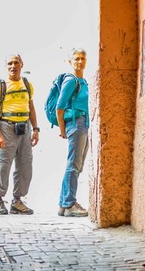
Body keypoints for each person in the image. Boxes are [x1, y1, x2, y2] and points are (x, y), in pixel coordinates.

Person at [0, 53, 40, 215]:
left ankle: (17, 201)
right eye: (10, 63)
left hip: (24, 128)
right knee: (2, 165)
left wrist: (36, 129)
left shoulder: (27, 84)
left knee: (25, 165)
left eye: (16, 62)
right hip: (6, 126)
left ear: (21, 64)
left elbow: (30, 107)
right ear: (6, 66)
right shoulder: (0, 85)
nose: (13, 66)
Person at [55, 48, 91, 217]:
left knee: (75, 165)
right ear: (70, 62)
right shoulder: (71, 81)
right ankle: (69, 204)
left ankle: (63, 204)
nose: (80, 61)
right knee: (74, 165)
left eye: (82, 58)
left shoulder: (83, 82)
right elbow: (59, 107)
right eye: (76, 59)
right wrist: (62, 130)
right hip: (76, 124)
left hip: (83, 123)